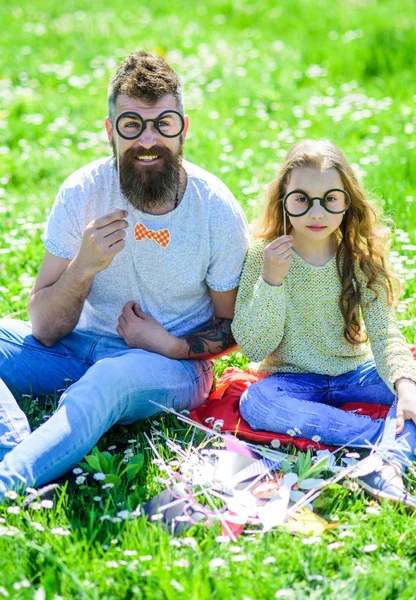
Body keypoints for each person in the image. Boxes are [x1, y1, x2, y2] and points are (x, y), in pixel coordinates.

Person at [0, 51, 249, 497]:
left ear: (183, 128)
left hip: (171, 365)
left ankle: (7, 483)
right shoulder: (83, 192)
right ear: (110, 131)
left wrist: (168, 343)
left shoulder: (214, 208)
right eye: (132, 125)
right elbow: (45, 328)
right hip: (77, 348)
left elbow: (232, 325)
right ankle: (23, 454)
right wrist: (83, 269)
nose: (149, 140)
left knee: (109, 381)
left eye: (163, 124)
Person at [232, 139, 416, 506]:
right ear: (282, 201)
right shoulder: (263, 256)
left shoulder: (359, 258)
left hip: (356, 372)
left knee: (411, 382)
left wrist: (405, 386)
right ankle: (388, 445)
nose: (316, 212)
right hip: (290, 380)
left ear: (348, 201)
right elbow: (254, 346)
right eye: (301, 199)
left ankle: (388, 463)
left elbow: (384, 332)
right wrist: (272, 280)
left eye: (330, 199)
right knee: (256, 403)